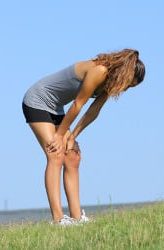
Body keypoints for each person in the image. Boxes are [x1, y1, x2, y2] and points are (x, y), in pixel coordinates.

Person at [22, 48, 146, 226]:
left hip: (56, 107)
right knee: (55, 153)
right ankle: (58, 220)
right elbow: (78, 104)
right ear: (126, 73)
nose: (126, 88)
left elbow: (93, 111)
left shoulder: (111, 82)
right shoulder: (100, 71)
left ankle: (77, 217)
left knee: (72, 156)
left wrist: (72, 136)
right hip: (37, 100)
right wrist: (59, 135)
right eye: (129, 84)